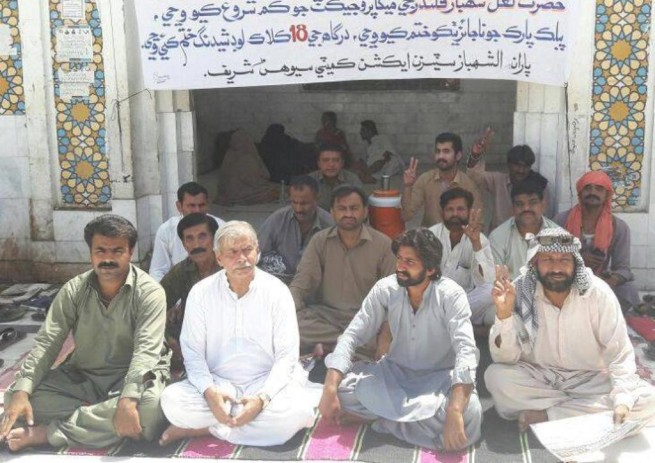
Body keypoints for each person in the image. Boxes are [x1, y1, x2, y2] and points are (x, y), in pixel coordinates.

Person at [0, 215, 169, 451]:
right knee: (15, 398)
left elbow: (146, 352)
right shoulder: (73, 290)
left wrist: (128, 398)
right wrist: (23, 389)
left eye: (117, 251)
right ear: (90, 253)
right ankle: (103, 418)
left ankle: (49, 433)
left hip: (131, 377)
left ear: (130, 252)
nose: (108, 258)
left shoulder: (150, 293)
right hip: (84, 377)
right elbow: (48, 343)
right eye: (100, 250)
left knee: (150, 410)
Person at [318, 228, 482, 451]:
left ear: (431, 269)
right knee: (342, 389)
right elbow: (353, 335)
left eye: (410, 262)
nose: (400, 267)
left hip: (439, 380)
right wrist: (329, 388)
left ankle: (380, 419)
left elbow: (466, 351)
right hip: (394, 375)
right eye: (400, 259)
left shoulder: (451, 295)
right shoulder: (386, 288)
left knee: (469, 412)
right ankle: (405, 424)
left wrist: (454, 411)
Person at [158, 221, 314, 446]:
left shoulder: (277, 291)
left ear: (258, 252)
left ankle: (206, 428)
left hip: (264, 382)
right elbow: (192, 353)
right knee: (172, 401)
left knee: (299, 412)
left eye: (247, 250)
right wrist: (209, 393)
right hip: (217, 382)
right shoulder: (201, 293)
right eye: (232, 252)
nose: (242, 258)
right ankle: (239, 423)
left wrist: (262, 399)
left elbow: (287, 356)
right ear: (219, 258)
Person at [485, 229, 655, 433]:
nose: (557, 267)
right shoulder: (518, 292)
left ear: (575, 264)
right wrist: (504, 314)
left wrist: (622, 401)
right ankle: (586, 412)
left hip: (589, 380)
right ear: (534, 263)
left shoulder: (597, 293)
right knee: (496, 377)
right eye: (547, 259)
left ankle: (548, 415)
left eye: (564, 259)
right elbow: (505, 358)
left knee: (647, 400)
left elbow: (619, 354)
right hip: (540, 376)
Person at [290, 184, 396, 358]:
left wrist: (385, 335)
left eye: (354, 208)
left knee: (397, 337)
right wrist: (285, 310)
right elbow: (301, 284)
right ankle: (351, 346)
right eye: (342, 208)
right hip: (325, 317)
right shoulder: (320, 241)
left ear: (365, 211)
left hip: (367, 320)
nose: (348, 214)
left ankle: (330, 346)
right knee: (289, 325)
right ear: (332, 212)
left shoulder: (383, 244)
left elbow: (394, 297)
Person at [555, 171, 640, 312]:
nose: (592, 192)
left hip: (601, 280)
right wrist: (578, 260)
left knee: (628, 290)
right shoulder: (561, 221)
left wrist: (604, 284)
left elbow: (623, 269)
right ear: (580, 193)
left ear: (607, 195)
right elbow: (550, 257)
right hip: (567, 278)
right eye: (587, 188)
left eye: (599, 189)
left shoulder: (619, 227)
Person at [160, 213, 221, 369]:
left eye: (202, 236)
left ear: (214, 239)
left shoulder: (229, 268)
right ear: (184, 244)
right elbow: (153, 306)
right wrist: (170, 340)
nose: (196, 245)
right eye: (189, 239)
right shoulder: (182, 271)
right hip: (190, 342)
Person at [429, 188, 496, 326]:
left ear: (469, 211)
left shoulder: (480, 239)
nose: (455, 214)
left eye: (460, 209)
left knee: (491, 291)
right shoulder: (430, 236)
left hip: (464, 303)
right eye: (450, 209)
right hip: (433, 303)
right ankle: (459, 327)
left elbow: (487, 281)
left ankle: (447, 325)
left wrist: (475, 243)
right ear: (442, 213)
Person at [467, 140, 554, 230]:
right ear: (509, 165)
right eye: (517, 165)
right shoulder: (498, 180)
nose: (521, 170)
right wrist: (475, 156)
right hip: (499, 236)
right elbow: (473, 176)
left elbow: (545, 217)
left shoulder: (540, 186)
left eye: (525, 166)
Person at [257, 176, 334, 278]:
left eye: (304, 203)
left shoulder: (330, 224)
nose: (298, 209)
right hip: (280, 282)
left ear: (317, 200)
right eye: (294, 202)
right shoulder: (277, 219)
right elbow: (257, 252)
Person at [401, 132, 483, 227]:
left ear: (458, 155)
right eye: (438, 151)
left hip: (459, 238)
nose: (440, 156)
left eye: (446, 151)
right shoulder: (425, 179)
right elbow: (406, 216)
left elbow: (478, 223)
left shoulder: (468, 185)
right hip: (431, 238)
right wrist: (408, 186)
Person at [150, 182, 225, 282]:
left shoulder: (223, 228)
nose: (197, 210)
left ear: (207, 205)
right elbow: (158, 270)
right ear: (179, 206)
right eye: (192, 206)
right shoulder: (166, 230)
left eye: (201, 205)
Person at [489, 180, 561, 279]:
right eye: (519, 204)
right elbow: (496, 279)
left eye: (532, 203)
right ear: (512, 208)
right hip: (510, 292)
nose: (526, 208)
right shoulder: (498, 237)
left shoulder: (558, 235)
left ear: (543, 205)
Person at [216, 129, 278, 206]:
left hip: (225, 193)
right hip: (240, 193)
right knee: (272, 191)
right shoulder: (246, 157)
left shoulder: (229, 154)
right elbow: (254, 181)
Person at [308, 144, 364, 211]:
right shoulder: (309, 180)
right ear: (319, 163)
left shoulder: (352, 180)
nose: (331, 164)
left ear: (342, 163)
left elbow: (361, 207)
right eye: (325, 160)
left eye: (336, 160)